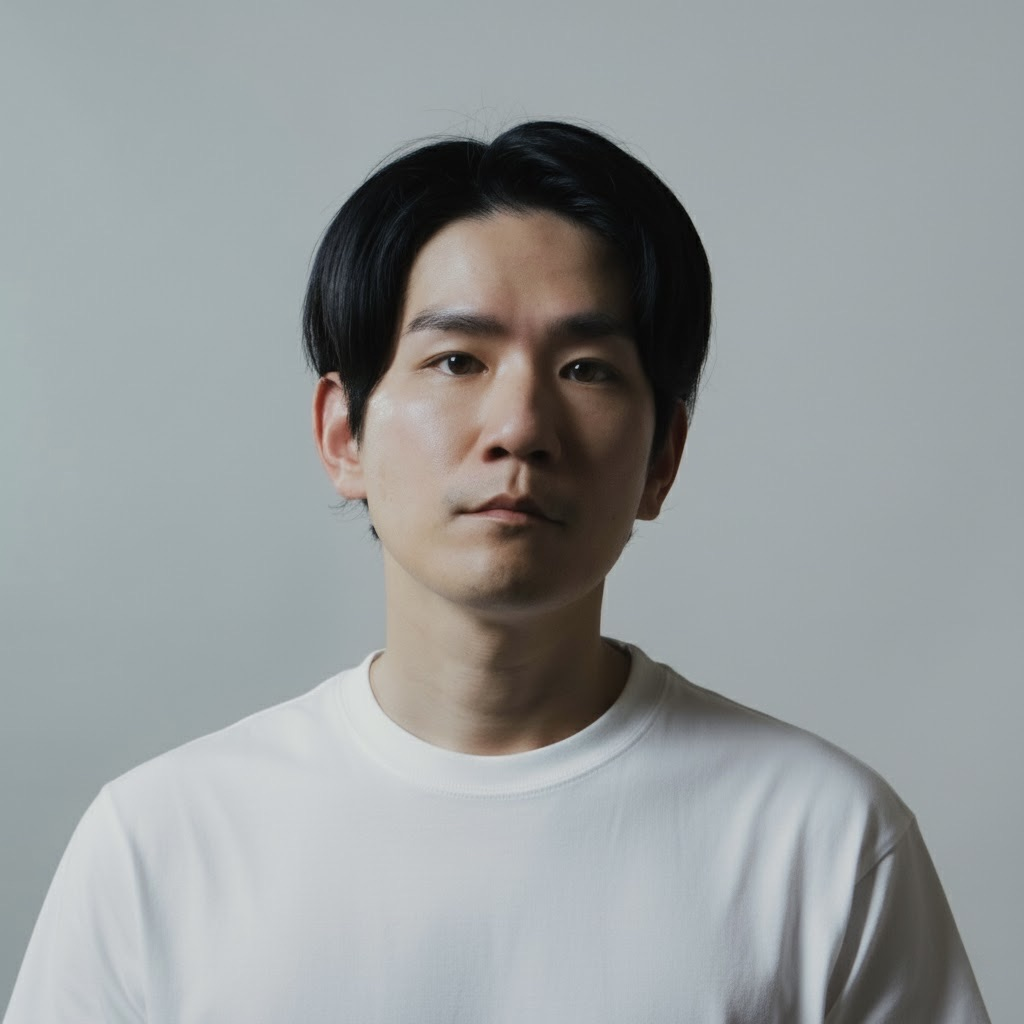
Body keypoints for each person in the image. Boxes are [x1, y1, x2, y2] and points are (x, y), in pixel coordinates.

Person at [4, 121, 990, 1023]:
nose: (519, 426)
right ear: (343, 433)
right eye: (457, 361)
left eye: (586, 369)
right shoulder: (163, 841)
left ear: (662, 458)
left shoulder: (824, 842)